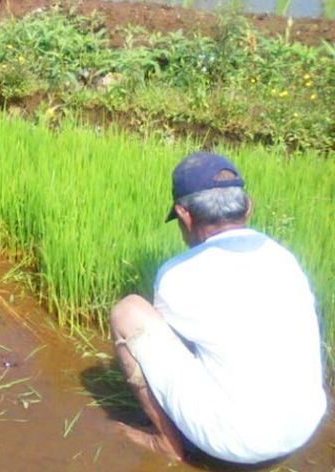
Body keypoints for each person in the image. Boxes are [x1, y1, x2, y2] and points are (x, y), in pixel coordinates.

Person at [109, 152, 326, 464]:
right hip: (301, 426)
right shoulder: (284, 257)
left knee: (128, 312)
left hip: (236, 441)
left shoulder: (177, 275)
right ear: (247, 206)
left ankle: (166, 443)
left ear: (184, 215)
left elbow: (170, 343)